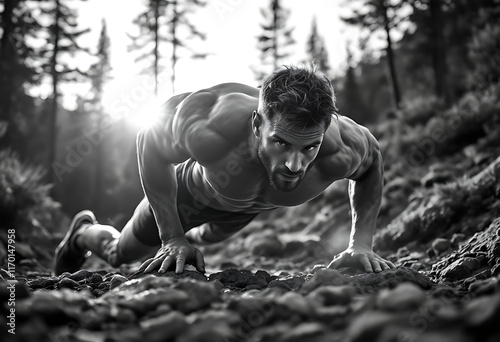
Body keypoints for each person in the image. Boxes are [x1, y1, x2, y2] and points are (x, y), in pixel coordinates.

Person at [54, 65, 395, 276]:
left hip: (241, 213)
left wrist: (360, 244)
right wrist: (172, 236)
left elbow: (372, 165)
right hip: (187, 197)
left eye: (309, 147)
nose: (295, 165)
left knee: (203, 244)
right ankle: (83, 233)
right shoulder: (213, 125)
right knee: (121, 255)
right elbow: (148, 139)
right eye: (281, 143)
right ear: (257, 123)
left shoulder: (344, 147)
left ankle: (191, 240)